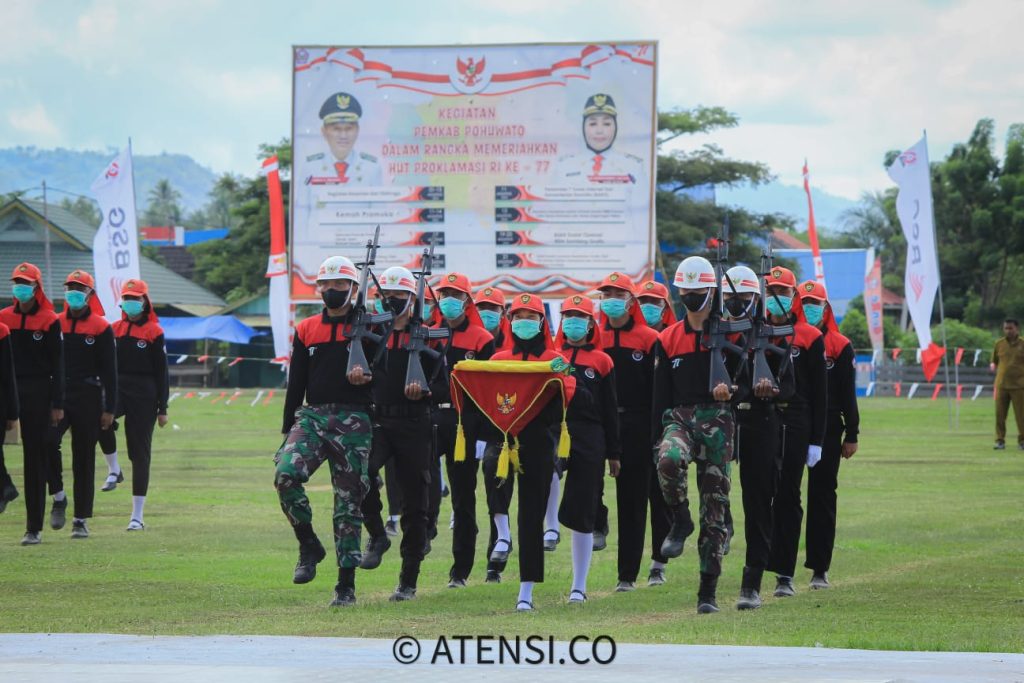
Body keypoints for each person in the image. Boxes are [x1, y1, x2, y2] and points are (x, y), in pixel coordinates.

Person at [274, 255, 378, 607]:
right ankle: (308, 544)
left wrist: (369, 377)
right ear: (318, 288)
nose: (332, 291)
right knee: (285, 475)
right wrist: (287, 430)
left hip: (356, 419)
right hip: (313, 417)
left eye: (340, 286)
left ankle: (345, 585)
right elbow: (297, 383)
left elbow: (388, 372)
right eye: (327, 285)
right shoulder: (306, 329)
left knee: (348, 503)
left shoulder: (372, 326)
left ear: (353, 288)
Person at [651, 255, 740, 614]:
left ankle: (708, 590)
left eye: (698, 290)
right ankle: (679, 517)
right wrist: (654, 439)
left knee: (714, 511)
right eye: (685, 290)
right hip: (680, 418)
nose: (691, 296)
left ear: (712, 291)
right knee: (668, 459)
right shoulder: (668, 338)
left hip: (719, 421)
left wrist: (731, 390)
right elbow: (660, 395)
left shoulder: (734, 333)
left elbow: (746, 384)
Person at [359, 266, 444, 601]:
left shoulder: (426, 336)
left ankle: (408, 581)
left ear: (413, 299)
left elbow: (446, 385)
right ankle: (377, 534)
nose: (392, 300)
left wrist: (424, 391)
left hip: (415, 424)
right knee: (361, 474)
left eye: (399, 295)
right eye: (387, 295)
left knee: (415, 503)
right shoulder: (369, 335)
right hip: (378, 422)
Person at [491, 293, 573, 611]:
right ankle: (500, 538)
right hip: (502, 443)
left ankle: (526, 590)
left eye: (531, 316)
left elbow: (569, 403)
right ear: (510, 321)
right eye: (518, 316)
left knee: (529, 515)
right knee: (493, 489)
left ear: (542, 322)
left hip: (538, 443)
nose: (524, 321)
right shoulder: (497, 361)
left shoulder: (555, 360)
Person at [596, 272, 670, 591]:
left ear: (630, 300)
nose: (610, 299)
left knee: (641, 498)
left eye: (617, 293)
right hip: (601, 425)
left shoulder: (648, 339)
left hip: (641, 425)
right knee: (596, 490)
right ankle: (607, 541)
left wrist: (659, 432)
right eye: (605, 293)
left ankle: (646, 567)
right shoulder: (594, 336)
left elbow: (659, 391)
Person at [724, 265, 792, 610]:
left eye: (743, 298)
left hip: (760, 423)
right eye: (729, 298)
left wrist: (770, 389)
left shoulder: (771, 335)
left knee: (758, 503)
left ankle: (751, 582)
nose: (736, 304)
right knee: (714, 495)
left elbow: (789, 386)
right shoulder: (716, 334)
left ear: (757, 298)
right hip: (721, 422)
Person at [763, 267, 827, 599]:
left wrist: (817, 440)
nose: (777, 297)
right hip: (762, 420)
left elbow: (820, 394)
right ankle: (759, 563)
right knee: (761, 496)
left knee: (788, 495)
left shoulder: (810, 337)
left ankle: (784, 572)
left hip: (797, 420)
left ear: (793, 297)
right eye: (771, 289)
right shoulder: (757, 333)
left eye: (783, 291)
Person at [554, 295, 621, 603]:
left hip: (591, 435)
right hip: (555, 431)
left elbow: (609, 409)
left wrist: (614, 453)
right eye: (568, 315)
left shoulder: (602, 360)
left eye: (579, 316)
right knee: (545, 474)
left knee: (583, 508)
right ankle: (549, 529)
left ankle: (579, 586)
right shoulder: (551, 356)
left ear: (591, 322)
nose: (573, 321)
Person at [431, 273, 495, 587]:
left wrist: (483, 435)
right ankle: (425, 529)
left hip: (464, 425)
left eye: (455, 294)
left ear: (467, 301)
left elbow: (486, 391)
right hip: (430, 418)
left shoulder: (482, 339)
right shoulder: (429, 333)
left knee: (463, 498)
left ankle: (461, 570)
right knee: (421, 483)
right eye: (444, 293)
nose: (448, 300)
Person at [798, 280, 859, 589]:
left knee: (822, 496)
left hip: (829, 427)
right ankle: (778, 567)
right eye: (805, 302)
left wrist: (852, 433)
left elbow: (848, 394)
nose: (810, 308)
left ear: (826, 308)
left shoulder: (839, 345)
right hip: (792, 423)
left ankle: (819, 568)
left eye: (815, 303)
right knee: (784, 497)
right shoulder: (788, 339)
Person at [0, 263, 63, 545]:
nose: (20, 287)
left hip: (38, 391)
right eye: (16, 282)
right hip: (6, 391)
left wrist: (57, 403)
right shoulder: (3, 318)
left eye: (25, 283)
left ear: (37, 287)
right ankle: (6, 488)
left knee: (34, 460)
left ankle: (33, 527)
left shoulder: (50, 320)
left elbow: (58, 366)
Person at [55, 270, 117, 539]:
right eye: (70, 287)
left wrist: (109, 408)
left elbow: (110, 372)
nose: (74, 292)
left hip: (89, 396)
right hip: (59, 394)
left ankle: (80, 519)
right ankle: (58, 496)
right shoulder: (54, 323)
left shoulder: (101, 327)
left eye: (79, 288)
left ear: (90, 294)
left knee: (84, 458)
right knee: (46, 443)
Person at [112, 279, 169, 531]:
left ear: (145, 302)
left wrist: (163, 407)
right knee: (95, 421)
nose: (131, 302)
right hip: (117, 389)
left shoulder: (154, 331)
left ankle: (137, 515)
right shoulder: (114, 329)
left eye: (135, 298)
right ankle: (114, 469)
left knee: (139, 453)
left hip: (145, 394)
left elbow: (162, 372)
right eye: (127, 297)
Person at [474, 285, 516, 583]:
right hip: (488, 427)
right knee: (493, 483)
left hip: (521, 428)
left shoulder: (514, 343)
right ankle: (494, 561)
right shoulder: (475, 341)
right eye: (481, 307)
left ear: (503, 314)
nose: (485, 313)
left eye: (492, 308)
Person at [551, 94, 646, 186]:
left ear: (616, 127)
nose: (599, 131)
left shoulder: (633, 167)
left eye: (606, 124)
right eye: (593, 124)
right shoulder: (564, 166)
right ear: (583, 127)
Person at [304, 92, 382, 187]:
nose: (343, 135)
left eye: (349, 128)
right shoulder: (310, 168)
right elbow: (303, 202)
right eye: (336, 129)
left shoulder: (372, 168)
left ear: (357, 130)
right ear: (323, 132)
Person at [991, 318, 1024, 450]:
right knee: (1000, 415)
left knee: (1021, 416)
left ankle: (1022, 441)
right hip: (1002, 386)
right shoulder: (999, 344)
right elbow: (994, 361)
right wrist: (993, 365)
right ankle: (1000, 440)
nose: (1008, 331)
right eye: (1006, 328)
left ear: (1017, 329)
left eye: (1011, 328)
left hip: (1019, 386)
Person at [0, 315, 19, 515]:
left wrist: (12, 412)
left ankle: (6, 488)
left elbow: (7, 374)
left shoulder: (2, 331)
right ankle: (6, 487)